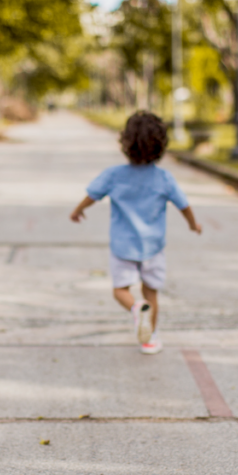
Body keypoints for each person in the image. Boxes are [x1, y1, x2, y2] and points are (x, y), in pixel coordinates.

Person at [70, 111, 202, 354]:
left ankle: (134, 308)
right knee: (151, 292)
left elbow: (92, 196)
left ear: (125, 143)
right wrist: (193, 225)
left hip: (123, 247)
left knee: (120, 290)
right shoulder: (164, 178)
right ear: (161, 145)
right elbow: (184, 205)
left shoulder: (113, 175)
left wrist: (77, 211)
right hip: (153, 247)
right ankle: (150, 339)